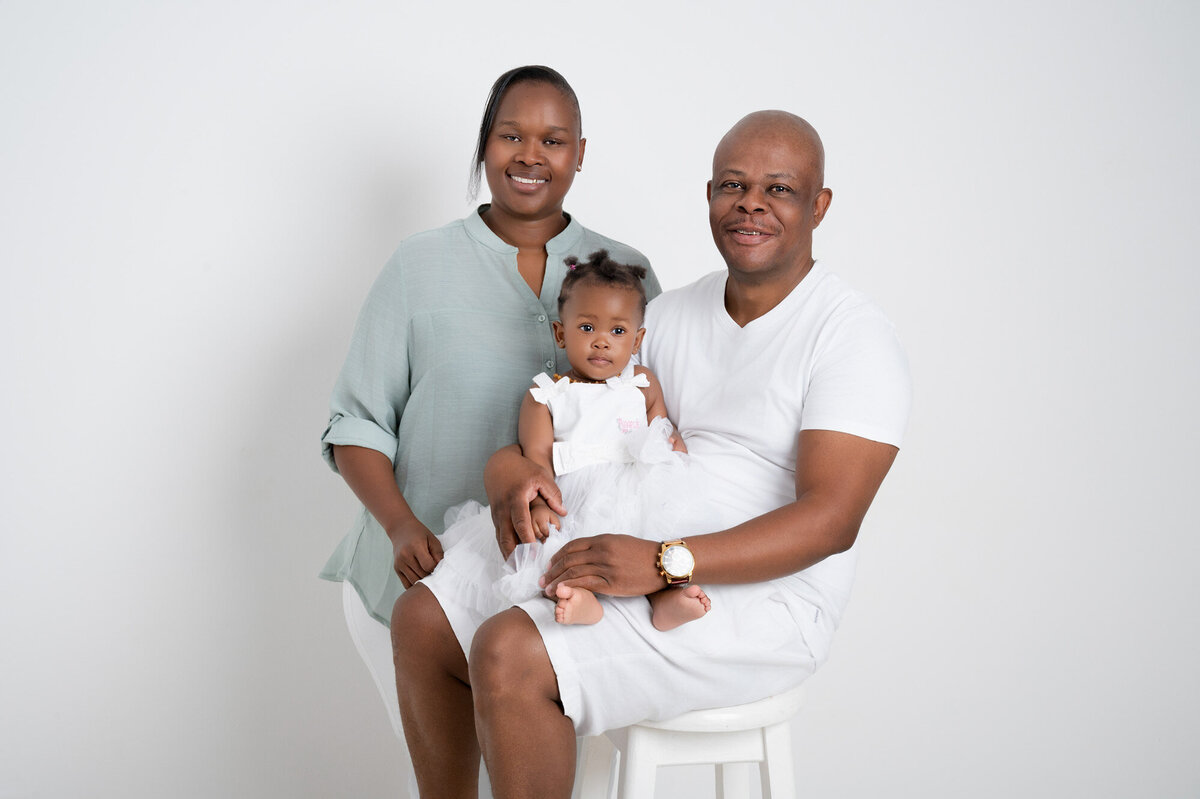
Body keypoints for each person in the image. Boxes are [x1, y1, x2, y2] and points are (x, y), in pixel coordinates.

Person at [390, 109, 912, 798]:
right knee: (423, 621)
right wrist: (512, 474)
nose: (750, 202)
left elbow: (831, 521)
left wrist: (665, 560)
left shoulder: (851, 336)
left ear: (819, 205)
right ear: (708, 196)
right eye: (733, 184)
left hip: (758, 595)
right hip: (627, 534)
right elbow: (575, 417)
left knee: (510, 650)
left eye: (778, 189)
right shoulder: (667, 315)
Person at [318, 65, 660, 793]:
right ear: (484, 146)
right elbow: (356, 423)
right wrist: (401, 525)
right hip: (421, 574)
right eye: (511, 135)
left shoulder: (629, 273)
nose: (531, 155)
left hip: (563, 594)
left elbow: (652, 417)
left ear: (581, 152)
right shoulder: (419, 266)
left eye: (553, 139)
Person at [422, 249, 710, 632]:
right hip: (572, 496)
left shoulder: (642, 384)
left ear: (637, 338)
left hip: (637, 489)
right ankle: (581, 599)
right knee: (558, 551)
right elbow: (536, 457)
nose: (602, 342)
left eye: (618, 331)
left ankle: (666, 600)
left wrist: (674, 453)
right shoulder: (546, 394)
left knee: (651, 544)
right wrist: (542, 503)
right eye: (587, 328)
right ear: (561, 332)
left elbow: (662, 430)